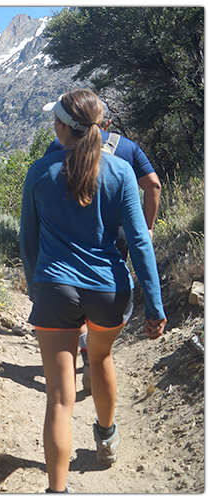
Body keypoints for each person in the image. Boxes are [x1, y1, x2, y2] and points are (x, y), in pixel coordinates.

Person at [20, 89, 166, 493]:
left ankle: (57, 490)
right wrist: (154, 304)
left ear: (64, 127)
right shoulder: (119, 172)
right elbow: (139, 242)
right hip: (108, 289)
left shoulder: (39, 172)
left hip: (54, 288)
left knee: (59, 398)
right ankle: (106, 437)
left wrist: (38, 292)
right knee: (100, 358)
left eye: (56, 119)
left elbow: (28, 244)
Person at [43, 101, 163, 393]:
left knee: (77, 287)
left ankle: (84, 349)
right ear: (103, 123)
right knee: (103, 284)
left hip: (72, 246)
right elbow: (154, 185)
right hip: (120, 233)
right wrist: (146, 227)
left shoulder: (57, 149)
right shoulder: (127, 149)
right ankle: (95, 354)